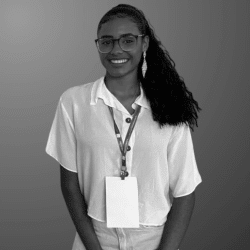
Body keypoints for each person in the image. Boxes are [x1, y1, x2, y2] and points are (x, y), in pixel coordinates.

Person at [45, 4, 202, 250]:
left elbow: (185, 192)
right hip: (95, 238)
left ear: (145, 43)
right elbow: (70, 186)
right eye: (106, 42)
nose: (116, 50)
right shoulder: (73, 102)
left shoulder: (170, 107)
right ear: (97, 45)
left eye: (127, 40)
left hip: (156, 241)